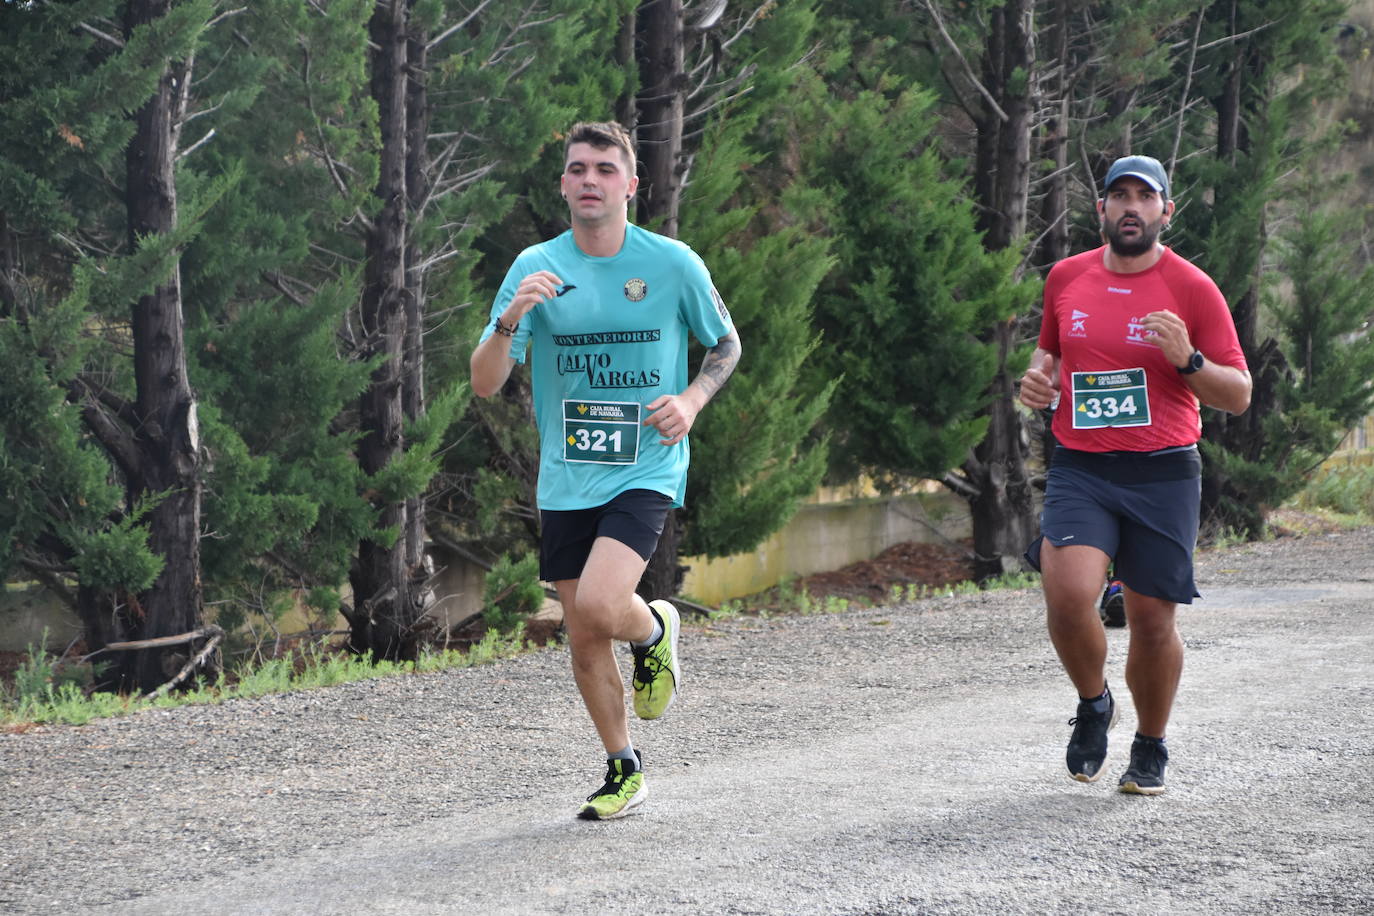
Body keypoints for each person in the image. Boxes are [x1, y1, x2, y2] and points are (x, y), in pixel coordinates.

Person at [470, 121, 741, 819]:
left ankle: (652, 631)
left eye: (604, 168)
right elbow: (484, 382)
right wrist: (510, 322)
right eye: (577, 168)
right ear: (563, 184)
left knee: (594, 603)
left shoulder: (673, 263)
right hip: (567, 475)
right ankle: (624, 766)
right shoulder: (537, 266)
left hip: (646, 464)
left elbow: (726, 343)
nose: (590, 179)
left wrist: (690, 399)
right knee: (585, 631)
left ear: (630, 184)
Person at [1018, 154, 1252, 795]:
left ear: (1164, 212)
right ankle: (1094, 705)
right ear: (1100, 210)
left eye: (1143, 198)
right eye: (1118, 196)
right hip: (1082, 467)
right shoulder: (1066, 277)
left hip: (1162, 473)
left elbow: (1237, 393)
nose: (1130, 207)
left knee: (1151, 622)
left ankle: (1150, 743)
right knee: (1067, 598)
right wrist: (1040, 382)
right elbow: (1051, 358)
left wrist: (1188, 360)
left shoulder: (1192, 288)